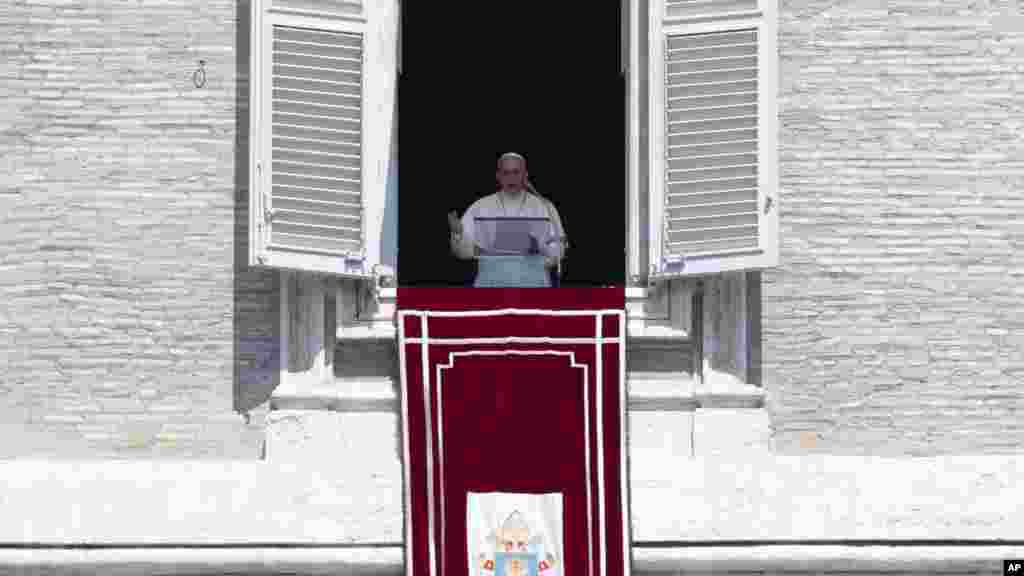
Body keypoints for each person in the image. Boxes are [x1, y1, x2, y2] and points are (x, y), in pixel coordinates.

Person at [448, 153, 567, 287]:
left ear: (525, 175)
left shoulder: (545, 206)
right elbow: (463, 254)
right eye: (506, 173)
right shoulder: (480, 206)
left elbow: (558, 249)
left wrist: (542, 254)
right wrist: (458, 235)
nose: (511, 178)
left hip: (533, 284)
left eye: (516, 172)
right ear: (498, 176)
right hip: (491, 284)